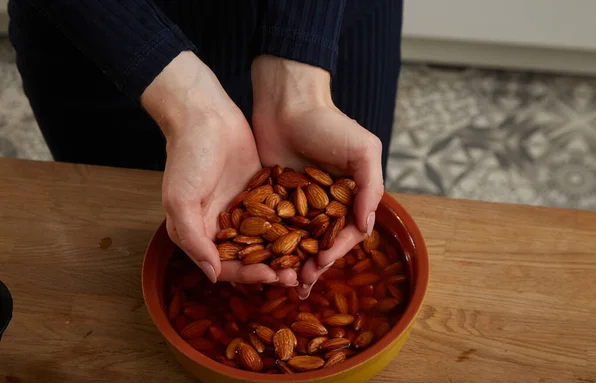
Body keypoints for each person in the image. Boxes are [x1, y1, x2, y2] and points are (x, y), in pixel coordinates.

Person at [8, 0, 403, 298]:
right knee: (127, 260)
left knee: (346, 249)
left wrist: (299, 72)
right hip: (106, 31)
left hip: (324, 17)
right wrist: (184, 100)